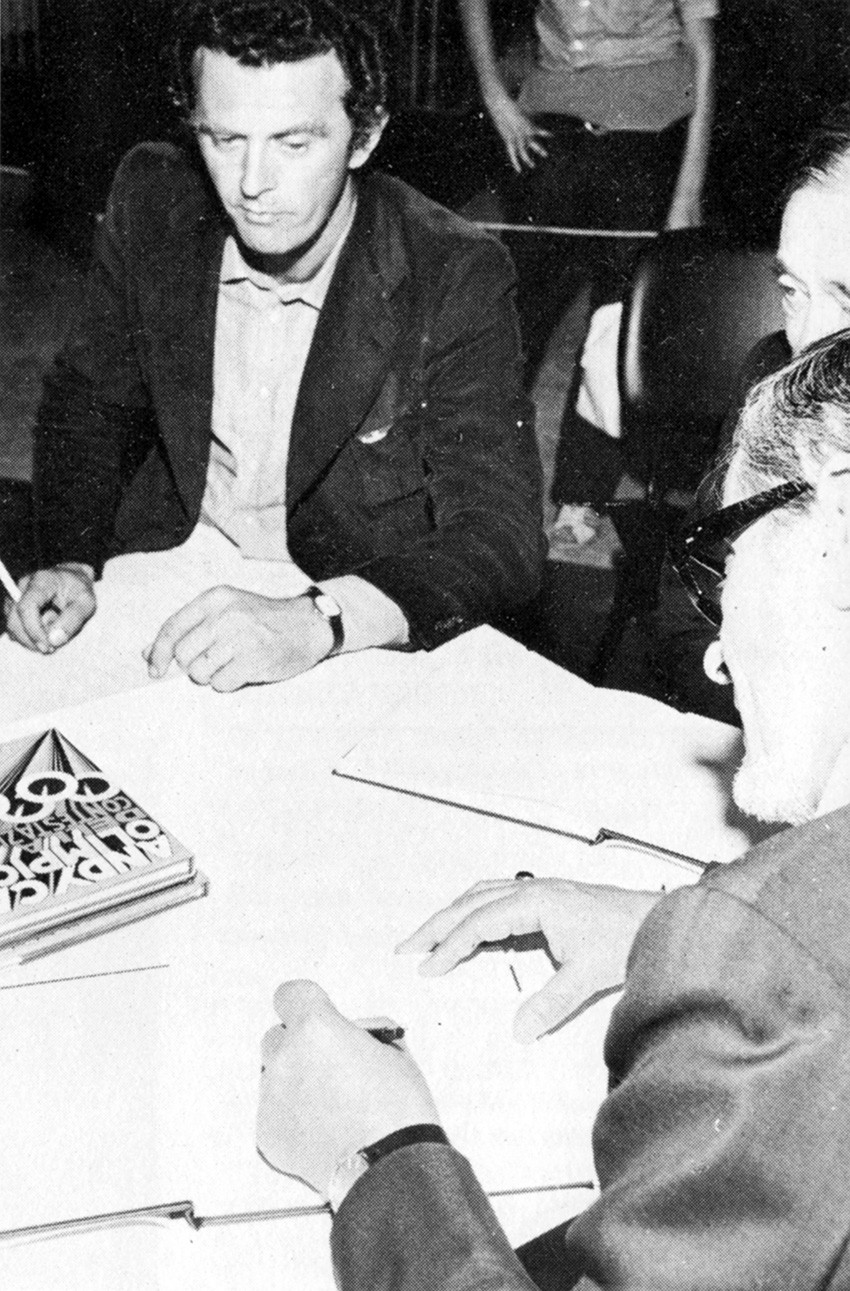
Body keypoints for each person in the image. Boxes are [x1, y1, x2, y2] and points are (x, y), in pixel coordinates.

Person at [257, 328, 850, 1288]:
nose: (716, 656)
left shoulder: (765, 963)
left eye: (727, 562)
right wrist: (678, 922)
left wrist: (377, 1156)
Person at [4, 0, 544, 693]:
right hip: (163, 569)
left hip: (349, 604)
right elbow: (88, 398)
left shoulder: (452, 269)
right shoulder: (153, 197)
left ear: (364, 137)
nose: (252, 184)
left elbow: (501, 533)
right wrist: (73, 559)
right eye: (226, 140)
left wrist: (319, 620)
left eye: (293, 144)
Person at [647, 106, 850, 721]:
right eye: (792, 292)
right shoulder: (773, 374)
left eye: (848, 301)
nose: (809, 339)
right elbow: (691, 596)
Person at [459, 0, 716, 424]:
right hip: (550, 121)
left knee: (619, 330)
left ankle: (584, 464)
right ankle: (488, 451)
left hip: (648, 128)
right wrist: (495, 97)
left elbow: (703, 56)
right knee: (515, 313)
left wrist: (688, 192)